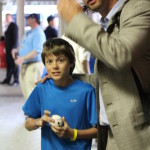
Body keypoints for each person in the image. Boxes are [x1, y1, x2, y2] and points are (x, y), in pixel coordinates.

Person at [57, 0, 150, 150]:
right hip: (111, 134)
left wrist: (76, 20)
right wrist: (64, 79)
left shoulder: (139, 6)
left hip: (140, 136)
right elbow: (105, 82)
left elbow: (121, 55)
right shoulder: (107, 23)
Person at [22, 38, 97, 150]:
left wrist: (73, 133)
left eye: (60, 60)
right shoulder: (42, 89)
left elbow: (98, 131)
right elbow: (28, 123)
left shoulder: (86, 91)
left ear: (71, 63)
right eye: (49, 61)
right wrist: (38, 122)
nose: (55, 66)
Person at [15, 13, 46, 100]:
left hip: (34, 64)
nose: (27, 20)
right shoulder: (28, 32)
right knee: (24, 87)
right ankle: (29, 111)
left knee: (31, 89)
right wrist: (17, 52)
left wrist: (22, 58)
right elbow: (23, 46)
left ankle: (33, 112)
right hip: (25, 64)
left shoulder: (39, 33)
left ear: (34, 20)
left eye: (28, 18)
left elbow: (36, 51)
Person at [0, 13, 19, 86]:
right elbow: (7, 37)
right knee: (9, 64)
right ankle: (8, 79)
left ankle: (16, 80)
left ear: (11, 18)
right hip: (8, 49)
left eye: (8, 17)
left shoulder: (13, 25)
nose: (7, 19)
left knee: (13, 64)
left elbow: (15, 37)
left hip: (12, 49)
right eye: (6, 17)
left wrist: (14, 48)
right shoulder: (8, 26)